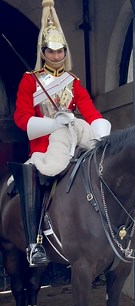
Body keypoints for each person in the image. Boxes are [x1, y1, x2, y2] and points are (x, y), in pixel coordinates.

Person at [11, 0, 111, 267]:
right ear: (43, 52)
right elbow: (21, 118)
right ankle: (33, 244)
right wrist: (51, 124)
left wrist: (101, 134)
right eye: (51, 52)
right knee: (35, 178)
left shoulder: (74, 82)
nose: (56, 56)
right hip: (45, 147)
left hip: (74, 140)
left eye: (60, 52)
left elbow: (90, 110)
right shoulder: (29, 80)